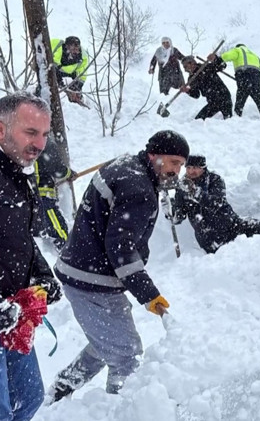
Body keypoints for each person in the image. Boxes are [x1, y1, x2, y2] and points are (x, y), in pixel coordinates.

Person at [48, 130, 189, 402]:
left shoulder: (125, 166)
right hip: (93, 281)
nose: (176, 171)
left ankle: (61, 389)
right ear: (153, 155)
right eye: (173, 162)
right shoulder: (139, 190)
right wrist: (148, 294)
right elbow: (121, 248)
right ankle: (121, 411)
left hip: (82, 269)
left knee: (107, 343)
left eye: (181, 165)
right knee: (126, 356)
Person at [0, 92, 63, 420]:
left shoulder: (15, 176)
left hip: (12, 315)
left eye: (44, 134)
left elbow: (17, 239)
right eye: (30, 132)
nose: (39, 144)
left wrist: (41, 273)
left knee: (29, 397)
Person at [171, 155, 260, 254]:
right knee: (227, 259)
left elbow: (217, 203)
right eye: (188, 168)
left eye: (195, 168)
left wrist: (196, 193)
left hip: (231, 225)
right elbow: (179, 216)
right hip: (209, 238)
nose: (191, 171)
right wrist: (172, 210)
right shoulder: (182, 187)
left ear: (203, 168)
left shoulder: (215, 179)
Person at [34, 137, 75, 251]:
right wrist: (69, 173)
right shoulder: (44, 142)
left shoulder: (18, 139)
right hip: (43, 194)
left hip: (26, 196)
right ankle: (67, 251)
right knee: (57, 226)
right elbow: (57, 169)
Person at [209, 44, 260, 121]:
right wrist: (254, 81)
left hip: (244, 77)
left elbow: (228, 56)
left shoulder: (238, 50)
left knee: (240, 102)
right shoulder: (255, 56)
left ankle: (236, 119)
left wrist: (218, 59)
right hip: (257, 79)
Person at [180, 56, 233, 120]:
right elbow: (196, 94)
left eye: (185, 66)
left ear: (192, 63)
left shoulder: (206, 67)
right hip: (213, 102)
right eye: (184, 67)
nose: (185, 70)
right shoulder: (191, 78)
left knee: (229, 121)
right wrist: (188, 91)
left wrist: (215, 58)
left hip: (224, 97)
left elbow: (223, 65)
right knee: (198, 120)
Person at [50, 37, 89, 104]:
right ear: (67, 47)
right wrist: (59, 82)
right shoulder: (57, 47)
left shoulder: (83, 57)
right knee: (49, 84)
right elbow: (52, 66)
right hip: (53, 69)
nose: (76, 51)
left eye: (77, 49)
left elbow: (82, 75)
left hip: (70, 73)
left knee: (75, 92)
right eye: (73, 49)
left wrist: (76, 88)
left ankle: (77, 100)